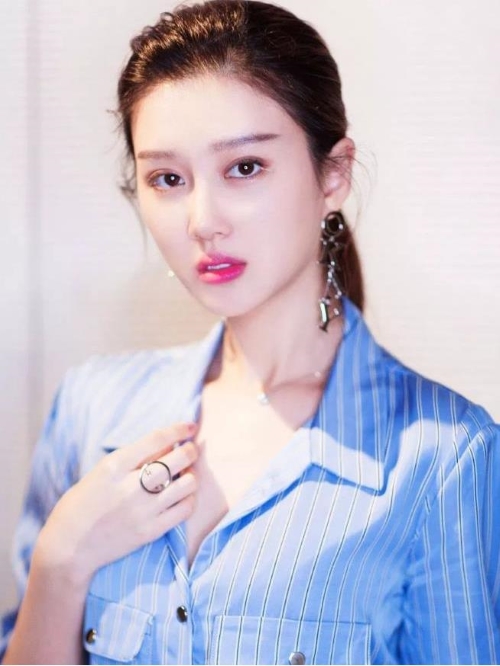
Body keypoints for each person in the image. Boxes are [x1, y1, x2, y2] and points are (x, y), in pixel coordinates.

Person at [1, 0, 499, 663]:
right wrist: (61, 560)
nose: (203, 220)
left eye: (244, 167)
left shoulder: (444, 457)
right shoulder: (92, 409)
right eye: (168, 178)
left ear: (333, 174)